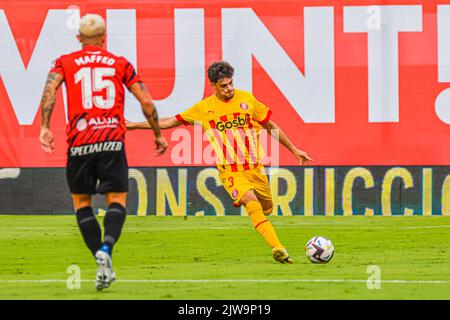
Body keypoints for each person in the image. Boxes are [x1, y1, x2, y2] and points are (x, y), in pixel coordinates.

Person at [127, 61, 313, 264]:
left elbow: (270, 126)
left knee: (266, 208)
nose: (229, 89)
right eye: (223, 85)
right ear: (212, 85)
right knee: (251, 203)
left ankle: (266, 226)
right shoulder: (204, 108)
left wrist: (294, 149)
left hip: (255, 168)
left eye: (231, 83)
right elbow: (172, 121)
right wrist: (136, 125)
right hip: (230, 171)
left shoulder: (247, 100)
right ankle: (278, 248)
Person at [39, 14, 168, 290]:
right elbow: (146, 101)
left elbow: (49, 91)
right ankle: (106, 249)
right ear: (104, 37)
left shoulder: (65, 62)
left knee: (82, 204)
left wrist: (44, 127)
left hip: (79, 143)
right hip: (111, 141)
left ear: (79, 39)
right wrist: (157, 133)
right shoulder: (120, 63)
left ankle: (100, 259)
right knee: (117, 199)